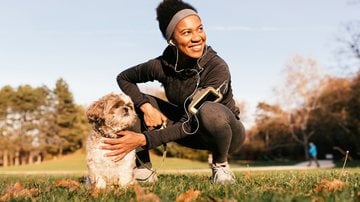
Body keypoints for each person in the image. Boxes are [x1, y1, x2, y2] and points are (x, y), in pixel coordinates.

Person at [101, 0, 246, 184]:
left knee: (209, 111)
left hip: (226, 134)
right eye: (187, 32)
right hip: (188, 132)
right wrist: (146, 107)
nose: (197, 38)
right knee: (137, 103)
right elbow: (124, 78)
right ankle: (143, 170)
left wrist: (144, 139)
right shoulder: (162, 65)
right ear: (172, 40)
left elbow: (191, 122)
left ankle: (221, 166)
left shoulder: (217, 67)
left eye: (199, 29)